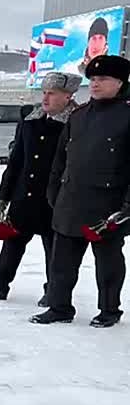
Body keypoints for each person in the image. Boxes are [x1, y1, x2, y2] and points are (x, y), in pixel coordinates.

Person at [33, 55, 130, 328]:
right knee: (61, 262)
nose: (96, 84)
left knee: (108, 264)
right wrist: (54, 192)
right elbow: (61, 159)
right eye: (93, 79)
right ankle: (59, 306)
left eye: (103, 79)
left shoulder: (126, 116)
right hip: (70, 201)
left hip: (107, 206)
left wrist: (126, 207)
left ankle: (109, 310)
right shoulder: (79, 115)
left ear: (120, 83)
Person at [0, 73, 80, 305]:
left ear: (68, 96)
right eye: (44, 92)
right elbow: (17, 160)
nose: (46, 98)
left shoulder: (76, 122)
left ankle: (52, 291)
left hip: (54, 199)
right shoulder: (31, 120)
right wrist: (4, 196)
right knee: (12, 244)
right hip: (24, 195)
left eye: (52, 93)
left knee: (54, 251)